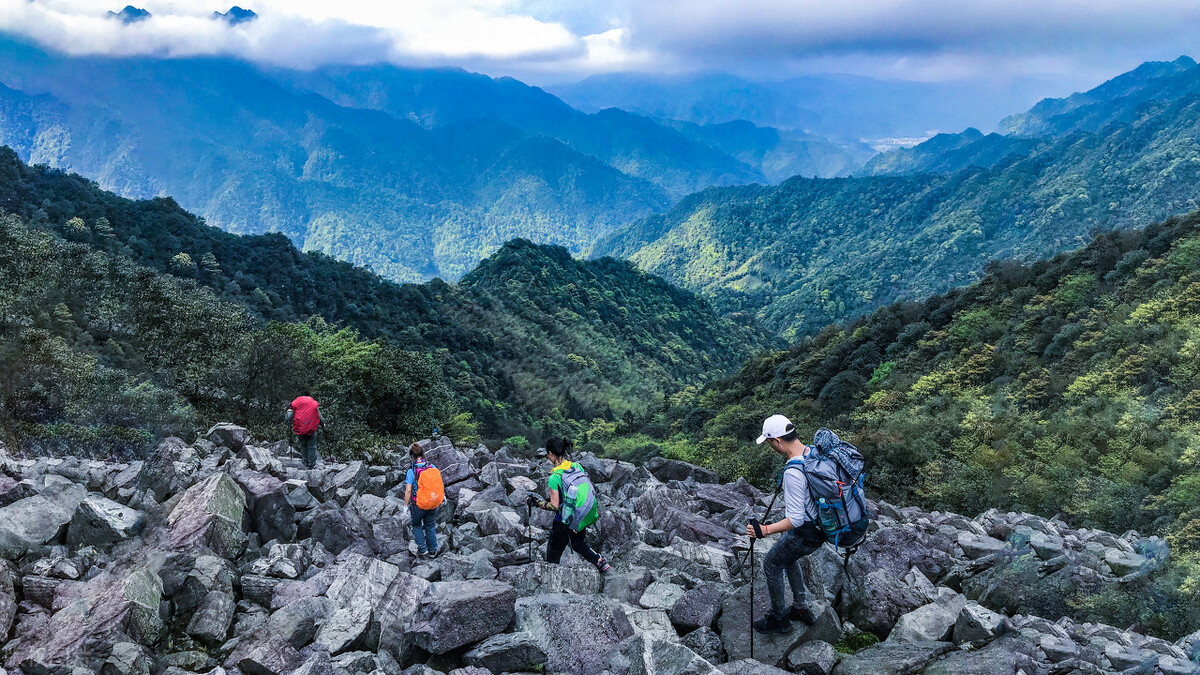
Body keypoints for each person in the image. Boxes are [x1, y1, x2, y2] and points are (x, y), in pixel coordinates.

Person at [745, 415, 867, 634]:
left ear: (778, 441)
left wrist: (764, 530)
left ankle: (778, 619)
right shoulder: (813, 453)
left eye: (770, 442)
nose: (771, 447)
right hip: (822, 530)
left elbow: (795, 519)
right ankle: (801, 608)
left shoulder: (793, 472)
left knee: (771, 564)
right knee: (787, 557)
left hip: (805, 533)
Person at [526, 437, 611, 572]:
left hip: (563, 520)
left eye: (547, 455)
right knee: (578, 543)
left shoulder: (555, 477)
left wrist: (538, 503)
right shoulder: (576, 466)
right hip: (580, 513)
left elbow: (554, 505)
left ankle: (551, 579)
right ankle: (599, 561)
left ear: (550, 454)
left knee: (553, 552)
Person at [403, 442, 443, 558]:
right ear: (423, 454)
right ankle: (433, 550)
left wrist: (405, 506)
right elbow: (438, 484)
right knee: (430, 526)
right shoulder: (432, 467)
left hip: (419, 504)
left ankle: (423, 549)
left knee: (416, 525)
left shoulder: (412, 471)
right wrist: (442, 496)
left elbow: (408, 490)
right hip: (433, 501)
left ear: (411, 456)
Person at [286, 391, 324, 469]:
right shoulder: (312, 404)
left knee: (303, 446)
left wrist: (288, 411)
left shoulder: (297, 404)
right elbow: (319, 416)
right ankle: (311, 465)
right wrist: (323, 425)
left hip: (300, 429)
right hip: (311, 429)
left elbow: (288, 418)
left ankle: (305, 463)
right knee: (312, 447)